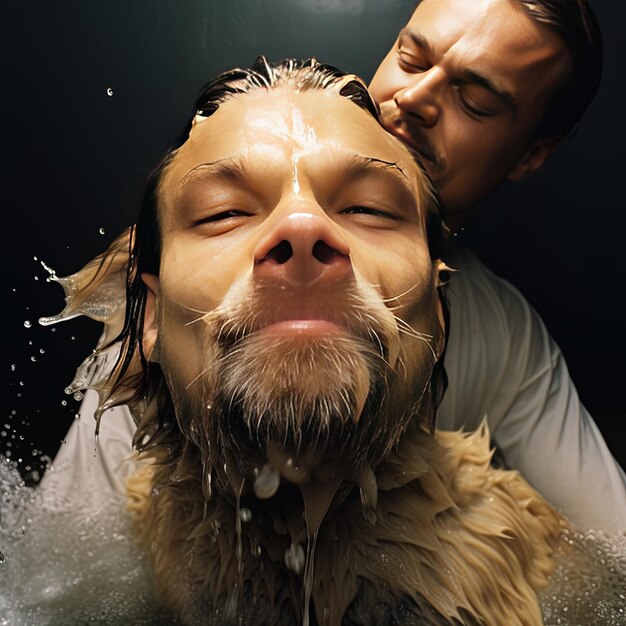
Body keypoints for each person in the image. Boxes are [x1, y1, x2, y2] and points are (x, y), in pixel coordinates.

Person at [41, 0, 626, 532]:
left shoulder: (503, 336)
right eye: (411, 56)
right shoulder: (175, 287)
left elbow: (612, 550)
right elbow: (64, 562)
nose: (416, 98)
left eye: (476, 100)